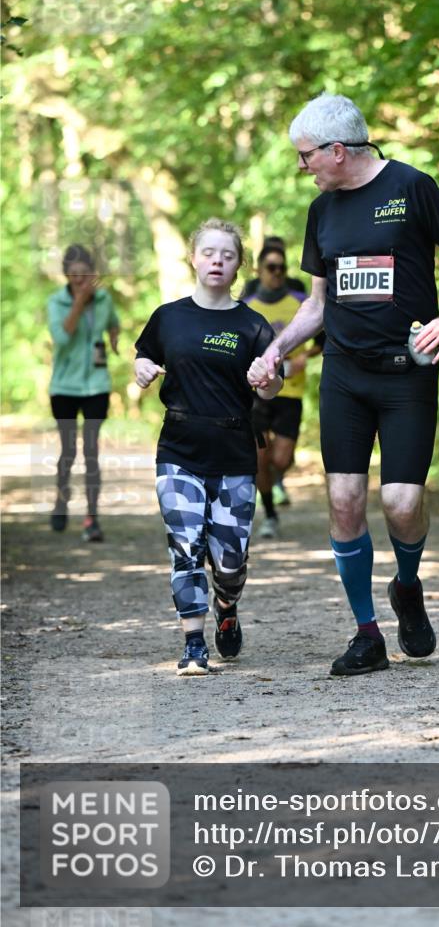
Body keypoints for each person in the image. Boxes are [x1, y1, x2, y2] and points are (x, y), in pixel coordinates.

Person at [256, 93, 439, 677]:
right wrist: (277, 348)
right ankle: (366, 634)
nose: (301, 167)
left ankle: (407, 586)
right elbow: (318, 304)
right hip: (345, 376)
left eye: (305, 156)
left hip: (407, 374)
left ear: (338, 150)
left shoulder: (412, 187)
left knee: (401, 504)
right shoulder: (321, 212)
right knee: (344, 500)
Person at [134, 218, 282, 676]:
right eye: (209, 252)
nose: (217, 260)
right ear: (194, 259)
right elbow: (144, 354)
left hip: (235, 452)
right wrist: (140, 369)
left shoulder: (252, 324)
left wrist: (269, 380)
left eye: (228, 255)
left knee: (230, 559)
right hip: (179, 448)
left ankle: (227, 604)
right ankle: (193, 644)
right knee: (185, 545)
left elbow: (273, 386)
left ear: (239, 266)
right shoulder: (169, 316)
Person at [244, 239, 322, 538]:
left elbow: (322, 341)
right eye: (271, 267)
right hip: (257, 394)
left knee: (281, 459)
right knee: (260, 456)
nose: (276, 273)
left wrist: (304, 358)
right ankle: (270, 514)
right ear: (259, 270)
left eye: (281, 268)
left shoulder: (301, 300)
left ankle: (278, 479)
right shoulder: (247, 306)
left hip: (291, 392)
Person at [47, 244, 120, 541]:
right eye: (73, 275)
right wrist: (79, 302)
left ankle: (92, 519)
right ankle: (61, 500)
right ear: (66, 275)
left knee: (91, 451)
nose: (79, 280)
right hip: (64, 387)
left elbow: (113, 323)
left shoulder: (104, 299)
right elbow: (62, 338)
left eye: (84, 274)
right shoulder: (56, 302)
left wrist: (114, 340)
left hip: (96, 386)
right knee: (68, 450)